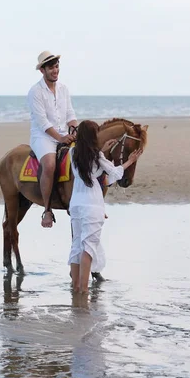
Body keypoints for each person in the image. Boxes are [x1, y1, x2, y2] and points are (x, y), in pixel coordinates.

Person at [68, 120, 142, 294]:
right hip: (92, 205)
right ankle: (84, 290)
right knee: (89, 247)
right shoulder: (98, 157)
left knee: (76, 246)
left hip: (76, 205)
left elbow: (90, 166)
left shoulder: (72, 153)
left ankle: (76, 287)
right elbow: (114, 173)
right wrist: (130, 161)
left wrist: (101, 150)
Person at [27, 51, 78, 228]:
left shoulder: (64, 89)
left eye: (57, 67)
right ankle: (47, 210)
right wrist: (61, 138)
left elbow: (70, 113)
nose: (55, 71)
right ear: (42, 70)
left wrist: (74, 128)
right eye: (51, 68)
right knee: (49, 164)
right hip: (43, 137)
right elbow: (42, 122)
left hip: (64, 133)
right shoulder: (35, 91)